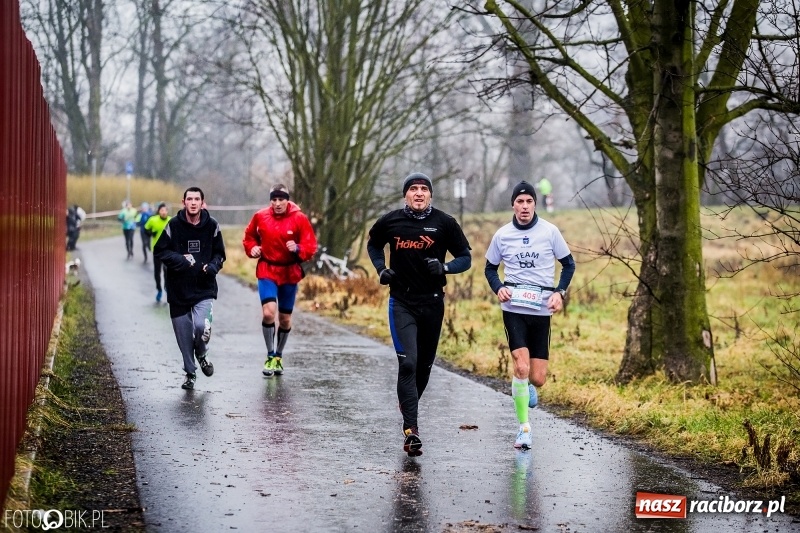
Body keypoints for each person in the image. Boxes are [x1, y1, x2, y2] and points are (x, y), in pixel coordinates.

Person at [366, 172, 472, 457]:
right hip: (401, 302)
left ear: (430, 195)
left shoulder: (445, 223)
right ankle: (411, 430)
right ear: (405, 195)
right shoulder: (390, 221)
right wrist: (381, 269)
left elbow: (465, 257)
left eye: (424, 189)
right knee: (408, 364)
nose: (418, 193)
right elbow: (374, 244)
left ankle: (408, 405)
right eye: (413, 188)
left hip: (433, 303)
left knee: (424, 367)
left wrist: (445, 268)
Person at [484, 181, 575, 449]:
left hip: (541, 309)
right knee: (520, 367)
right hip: (513, 309)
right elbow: (490, 268)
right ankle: (524, 429)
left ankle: (527, 388)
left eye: (529, 202)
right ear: (512, 204)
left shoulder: (550, 231)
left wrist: (560, 292)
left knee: (537, 378)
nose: (524, 207)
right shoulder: (502, 235)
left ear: (535, 204)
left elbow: (568, 264)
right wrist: (498, 287)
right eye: (520, 202)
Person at [154, 187, 226, 390]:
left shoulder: (212, 225)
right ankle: (190, 373)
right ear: (183, 202)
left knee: (202, 328)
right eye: (189, 199)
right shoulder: (174, 225)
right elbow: (160, 251)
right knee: (184, 337)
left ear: (203, 202)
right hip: (178, 289)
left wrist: (212, 267)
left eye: (197, 199)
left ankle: (202, 353)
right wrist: (181, 261)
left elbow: (220, 254)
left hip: (204, 287)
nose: (193, 202)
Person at [242, 184, 317, 377]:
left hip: (289, 272)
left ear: (287, 200)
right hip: (267, 269)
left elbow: (310, 246)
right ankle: (269, 355)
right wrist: (253, 249)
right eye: (273, 200)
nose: (277, 204)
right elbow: (249, 237)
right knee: (268, 313)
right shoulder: (260, 216)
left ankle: (279, 355)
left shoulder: (299, 218)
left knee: (284, 319)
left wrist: (298, 248)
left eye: (280, 200)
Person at [144, 202, 171, 302]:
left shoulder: (171, 221)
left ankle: (166, 288)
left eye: (165, 210)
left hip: (168, 251)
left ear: (167, 212)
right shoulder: (153, 220)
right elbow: (145, 229)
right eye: (162, 210)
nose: (164, 212)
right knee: (157, 272)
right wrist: (151, 233)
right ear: (159, 211)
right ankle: (159, 289)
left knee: (167, 271)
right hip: (157, 250)